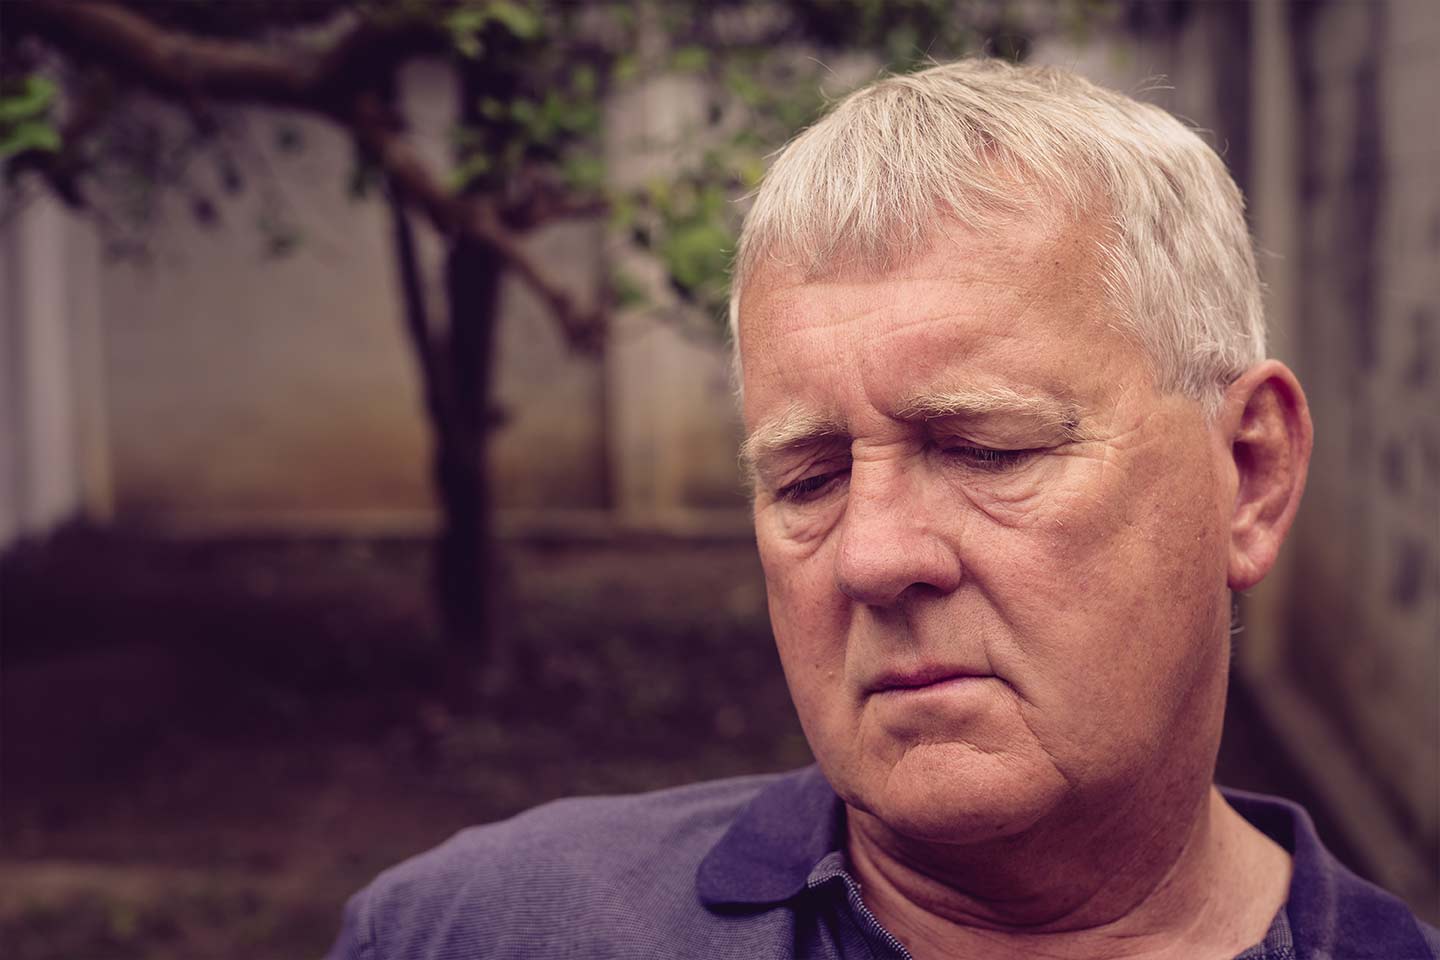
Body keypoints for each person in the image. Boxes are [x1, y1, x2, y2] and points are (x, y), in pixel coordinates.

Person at [327, 59, 1438, 960]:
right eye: (806, 478)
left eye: (984, 450)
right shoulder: (477, 932)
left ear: (1250, 473)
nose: (871, 555)